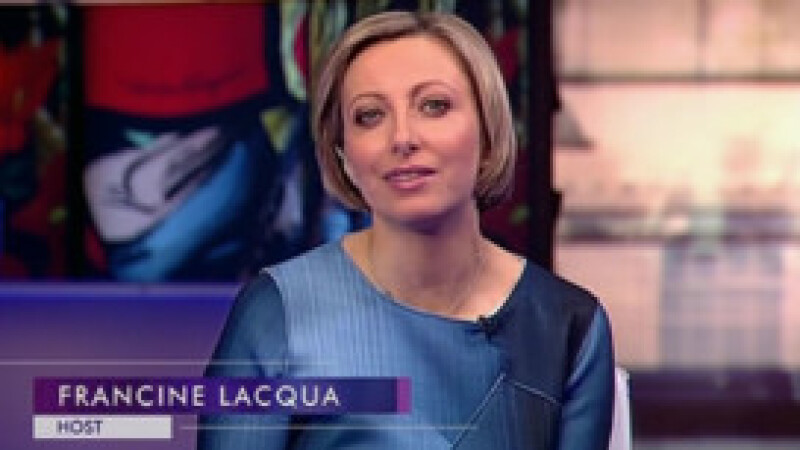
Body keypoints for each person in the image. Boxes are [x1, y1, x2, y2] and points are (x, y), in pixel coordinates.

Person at [198, 11, 614, 450]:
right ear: (343, 155)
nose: (402, 138)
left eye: (434, 106)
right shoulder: (278, 312)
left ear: (488, 130)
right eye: (370, 115)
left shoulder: (568, 325)